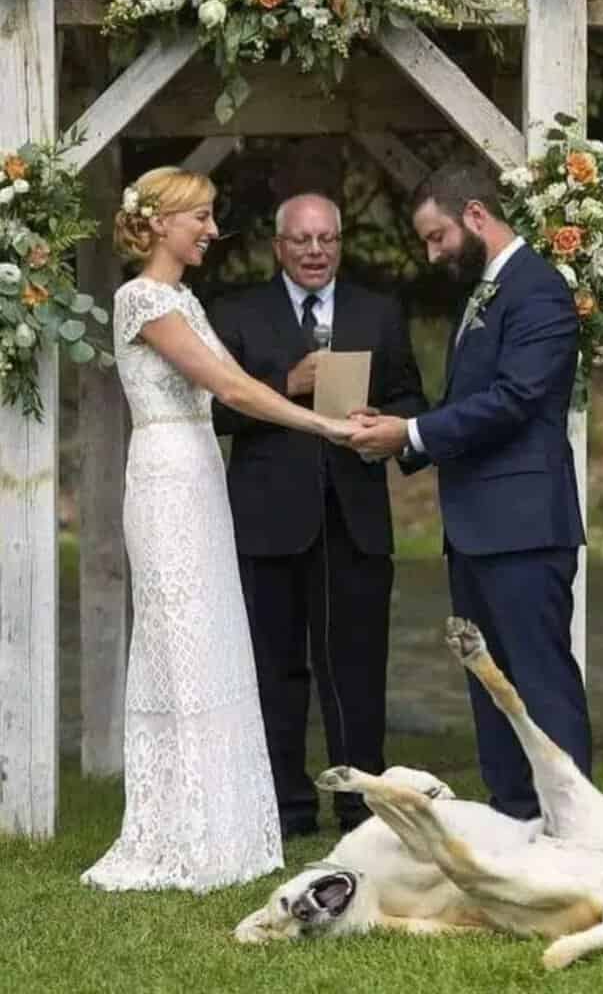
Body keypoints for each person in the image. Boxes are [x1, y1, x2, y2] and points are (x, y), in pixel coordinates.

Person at [82, 168, 357, 892]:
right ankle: (183, 827)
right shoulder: (140, 298)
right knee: (180, 640)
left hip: (203, 471)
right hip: (167, 474)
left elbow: (241, 381)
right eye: (200, 217)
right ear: (163, 222)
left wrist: (321, 399)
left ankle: (224, 822)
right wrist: (325, 422)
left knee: (215, 636)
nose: (211, 229)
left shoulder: (183, 298)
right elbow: (233, 389)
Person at [350, 163, 590, 820]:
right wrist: (398, 429)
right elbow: (470, 401)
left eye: (437, 236)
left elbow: (514, 400)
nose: (432, 253)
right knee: (491, 682)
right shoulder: (487, 291)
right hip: (479, 526)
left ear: (476, 216)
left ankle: (572, 827)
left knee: (538, 681)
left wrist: (413, 432)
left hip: (524, 525)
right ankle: (516, 814)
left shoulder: (536, 290)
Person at [211, 193, 427, 837]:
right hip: (267, 522)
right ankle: (285, 806)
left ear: (340, 243)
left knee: (356, 670)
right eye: (302, 240)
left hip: (353, 519)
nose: (315, 251)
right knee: (275, 671)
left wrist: (383, 420)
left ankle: (362, 806)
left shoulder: (378, 313)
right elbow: (215, 414)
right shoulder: (237, 314)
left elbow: (411, 394)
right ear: (279, 246)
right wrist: (285, 385)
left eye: (326, 239)